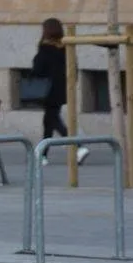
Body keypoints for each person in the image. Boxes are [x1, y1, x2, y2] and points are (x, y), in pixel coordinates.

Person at [30, 17, 90, 166]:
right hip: (63, 88)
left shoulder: (45, 47)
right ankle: (43, 155)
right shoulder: (66, 46)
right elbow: (73, 67)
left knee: (52, 120)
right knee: (49, 121)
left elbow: (38, 69)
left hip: (48, 89)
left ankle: (78, 147)